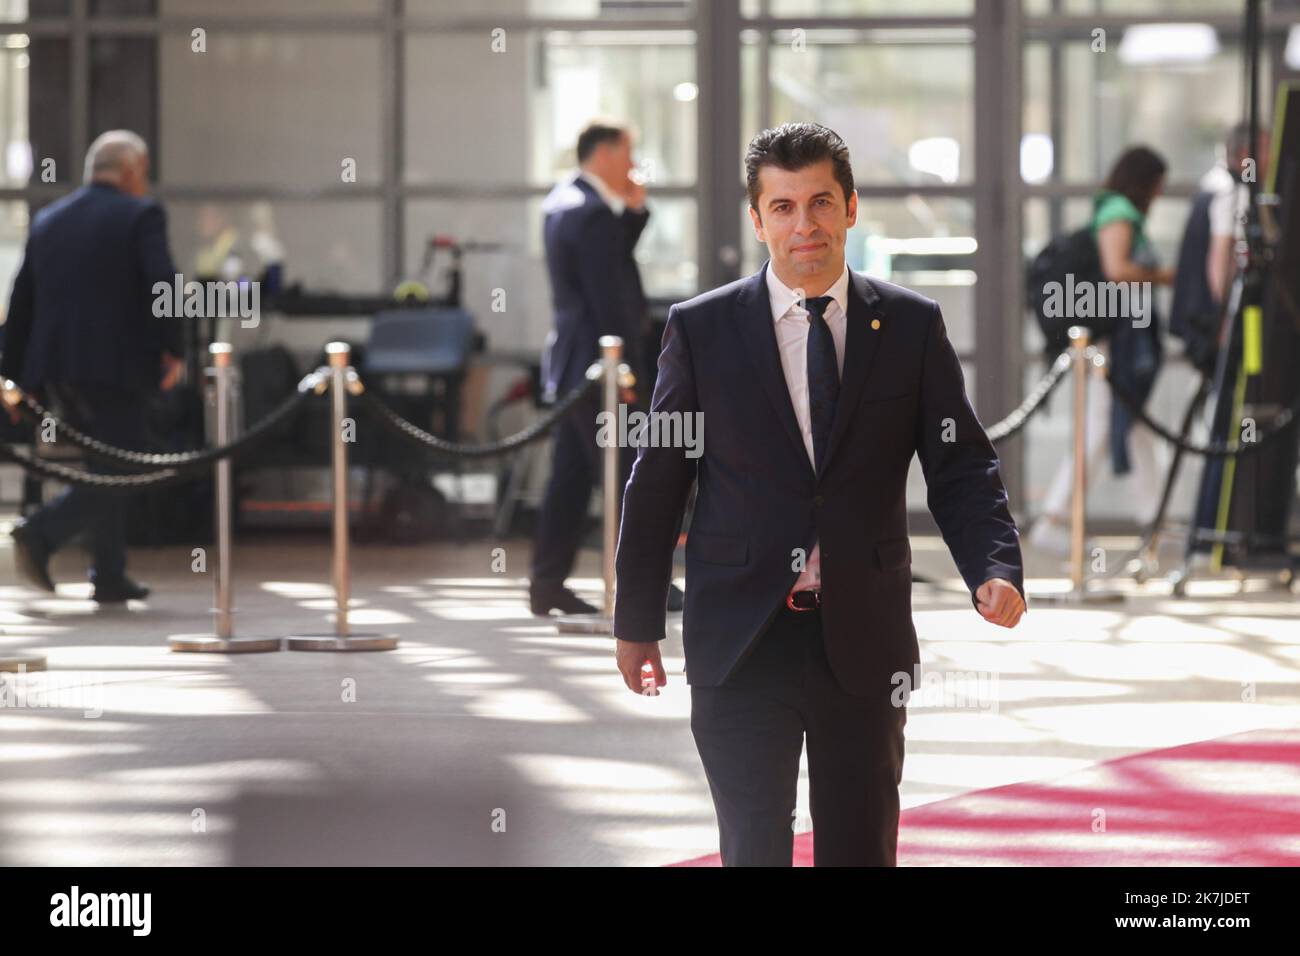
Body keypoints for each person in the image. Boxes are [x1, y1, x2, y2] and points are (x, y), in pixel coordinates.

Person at [612, 122, 1025, 866]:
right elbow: (659, 479)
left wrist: (993, 565)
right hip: (741, 638)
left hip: (863, 641)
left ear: (852, 208)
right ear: (758, 218)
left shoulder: (908, 325)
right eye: (784, 207)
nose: (805, 226)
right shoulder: (701, 330)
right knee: (754, 849)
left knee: (861, 851)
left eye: (821, 203)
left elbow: (959, 464)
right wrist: (636, 619)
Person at [1, 130, 184, 602]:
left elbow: (21, 303)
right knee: (122, 465)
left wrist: (16, 378)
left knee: (103, 460)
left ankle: (108, 573)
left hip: (58, 368)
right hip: (117, 365)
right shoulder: (140, 214)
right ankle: (41, 532)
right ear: (130, 172)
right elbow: (161, 284)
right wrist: (174, 349)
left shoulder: (49, 219)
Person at [530, 119, 682, 616]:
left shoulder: (565, 202)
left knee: (571, 480)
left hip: (573, 365)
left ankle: (546, 584)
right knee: (624, 479)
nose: (633, 165)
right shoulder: (593, 213)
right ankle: (646, 588)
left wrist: (635, 211)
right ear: (604, 153)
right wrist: (632, 371)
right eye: (628, 153)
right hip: (601, 366)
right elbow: (610, 298)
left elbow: (608, 262)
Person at [1029, 146, 1174, 556]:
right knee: (1103, 428)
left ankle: (1153, 522)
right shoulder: (1119, 213)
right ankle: (1055, 518)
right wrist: (1167, 276)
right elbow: (1118, 270)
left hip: (1113, 340)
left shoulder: (1115, 210)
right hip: (1109, 341)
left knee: (1136, 427)